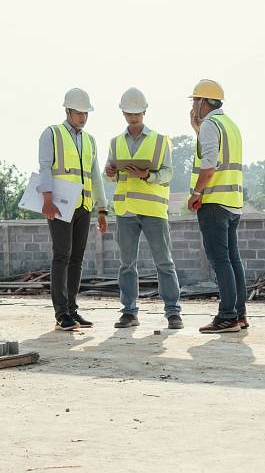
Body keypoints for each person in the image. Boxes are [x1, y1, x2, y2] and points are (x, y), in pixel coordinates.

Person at [104, 88, 183, 330]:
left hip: (153, 210)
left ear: (145, 111)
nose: (133, 117)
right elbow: (109, 176)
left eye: (137, 112)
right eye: (129, 112)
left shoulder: (160, 141)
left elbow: (169, 173)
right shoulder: (115, 143)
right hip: (126, 210)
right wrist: (109, 173)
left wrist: (148, 175)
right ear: (123, 113)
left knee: (164, 263)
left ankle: (173, 313)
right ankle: (129, 312)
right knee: (127, 264)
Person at [38, 88, 108, 331]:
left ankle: (72, 308)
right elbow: (45, 167)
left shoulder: (89, 140)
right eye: (79, 112)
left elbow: (95, 175)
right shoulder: (52, 134)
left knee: (76, 259)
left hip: (84, 206)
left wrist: (102, 208)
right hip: (59, 206)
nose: (83, 117)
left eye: (86, 113)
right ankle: (61, 313)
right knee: (62, 255)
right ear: (68, 111)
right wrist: (46, 199)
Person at [187, 79, 247, 333]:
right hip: (233, 203)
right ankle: (239, 314)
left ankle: (226, 316)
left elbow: (209, 164)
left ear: (202, 102)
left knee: (220, 260)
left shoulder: (210, 125)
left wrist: (197, 192)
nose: (193, 107)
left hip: (213, 201)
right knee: (233, 260)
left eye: (195, 102)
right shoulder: (229, 125)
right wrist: (197, 129)